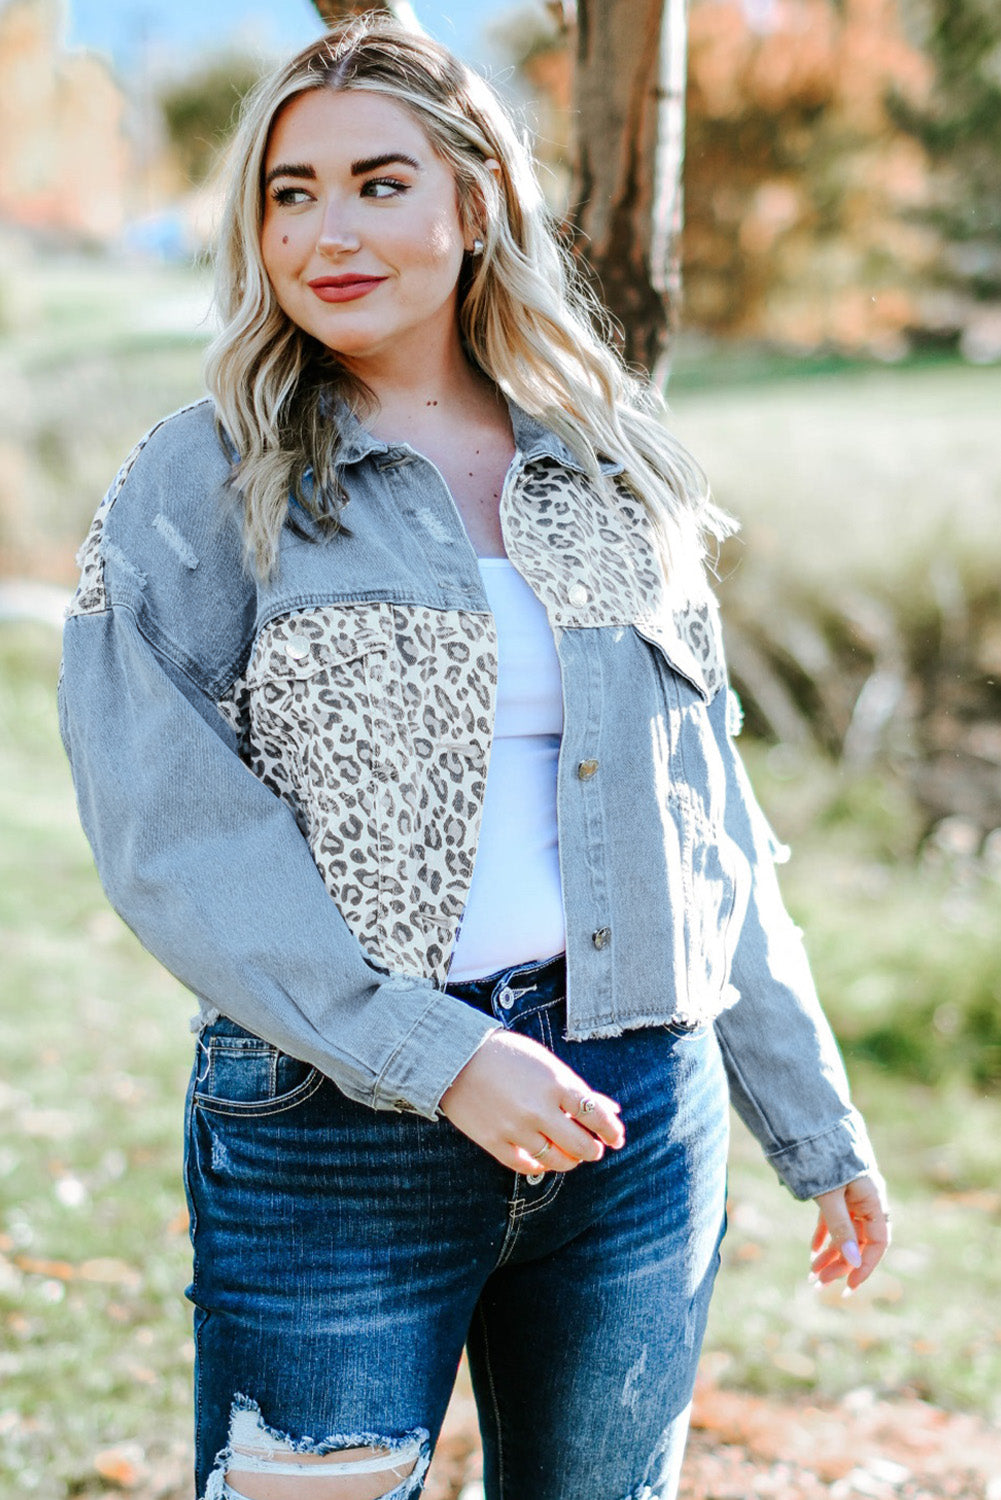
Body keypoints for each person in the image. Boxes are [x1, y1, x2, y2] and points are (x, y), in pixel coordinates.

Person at [59, 17, 889, 1500]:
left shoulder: (607, 456)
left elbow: (707, 815)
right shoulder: (206, 480)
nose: (327, 232)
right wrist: (436, 1058)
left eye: (380, 183)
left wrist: (807, 1113)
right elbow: (168, 837)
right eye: (287, 192)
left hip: (635, 1115)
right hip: (337, 1131)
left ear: (476, 200)